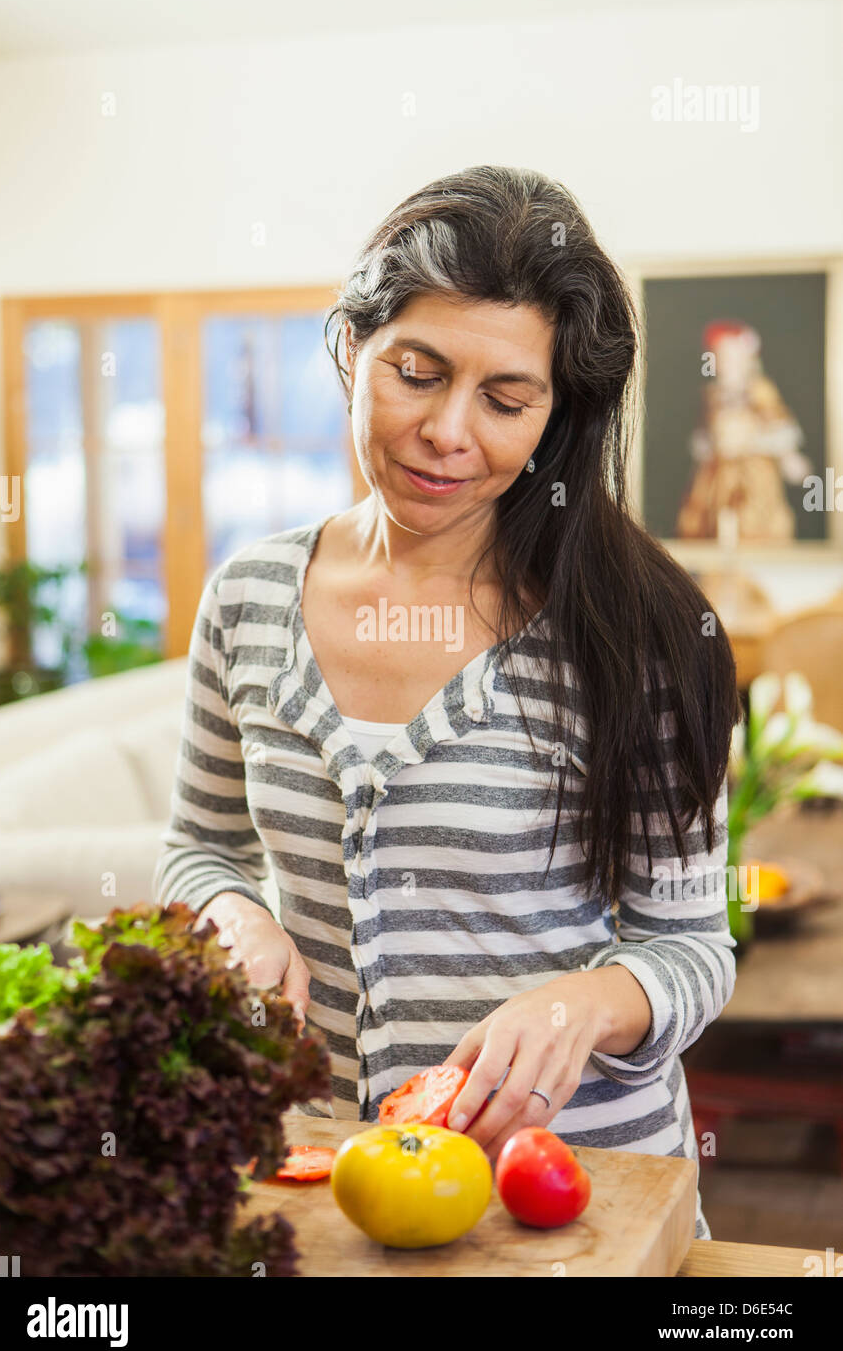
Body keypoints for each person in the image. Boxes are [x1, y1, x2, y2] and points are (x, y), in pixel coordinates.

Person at [153, 165, 742, 1240]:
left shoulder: (637, 631)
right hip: (339, 1184)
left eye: (505, 400)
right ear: (351, 351)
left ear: (556, 417)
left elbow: (691, 945)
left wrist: (580, 1001)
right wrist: (228, 912)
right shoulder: (246, 598)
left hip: (574, 1198)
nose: (446, 432)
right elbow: (199, 845)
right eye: (414, 374)